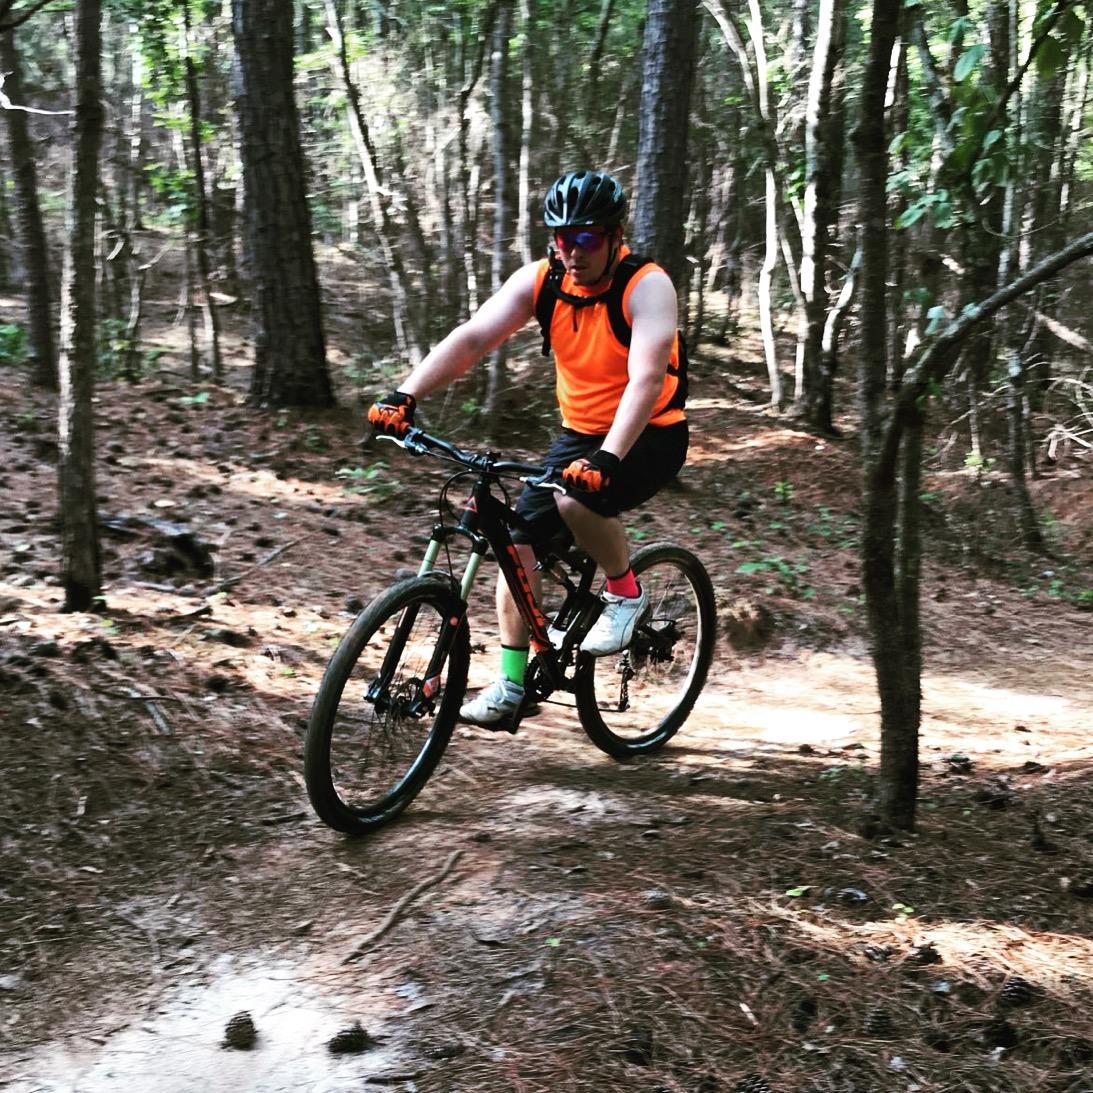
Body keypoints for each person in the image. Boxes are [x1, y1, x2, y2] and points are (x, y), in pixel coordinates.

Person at [368, 169, 688, 728]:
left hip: (650, 432)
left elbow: (645, 379)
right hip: (580, 434)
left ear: (615, 236)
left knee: (574, 501)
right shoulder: (543, 281)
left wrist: (607, 458)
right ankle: (513, 684)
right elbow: (472, 337)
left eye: (586, 238)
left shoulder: (648, 286)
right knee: (514, 546)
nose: (573, 250)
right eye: (562, 239)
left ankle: (625, 593)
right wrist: (405, 394)